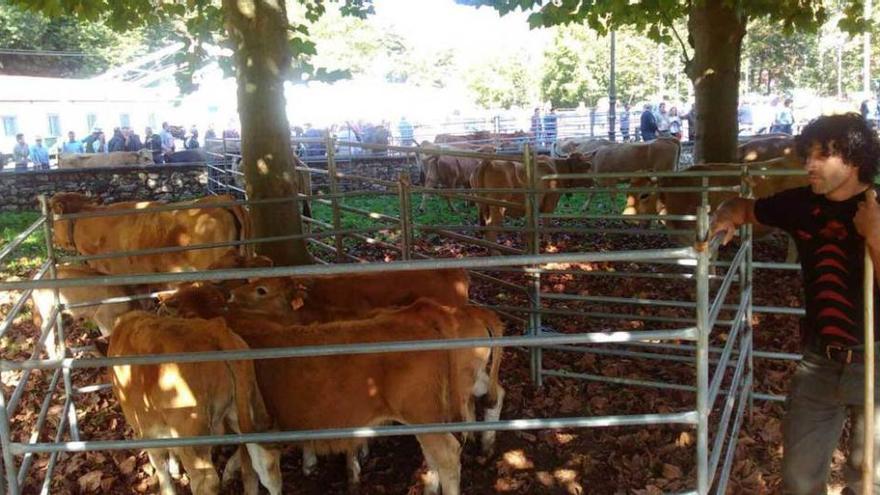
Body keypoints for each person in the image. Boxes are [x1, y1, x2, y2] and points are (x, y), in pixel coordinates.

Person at [709, 113, 880, 495]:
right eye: (807, 155)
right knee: (799, 480)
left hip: (875, 359)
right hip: (819, 361)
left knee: (870, 478)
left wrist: (875, 235)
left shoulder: (877, 208)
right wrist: (725, 217)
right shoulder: (801, 204)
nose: (808, 165)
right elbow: (743, 207)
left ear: (853, 160)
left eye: (822, 156)